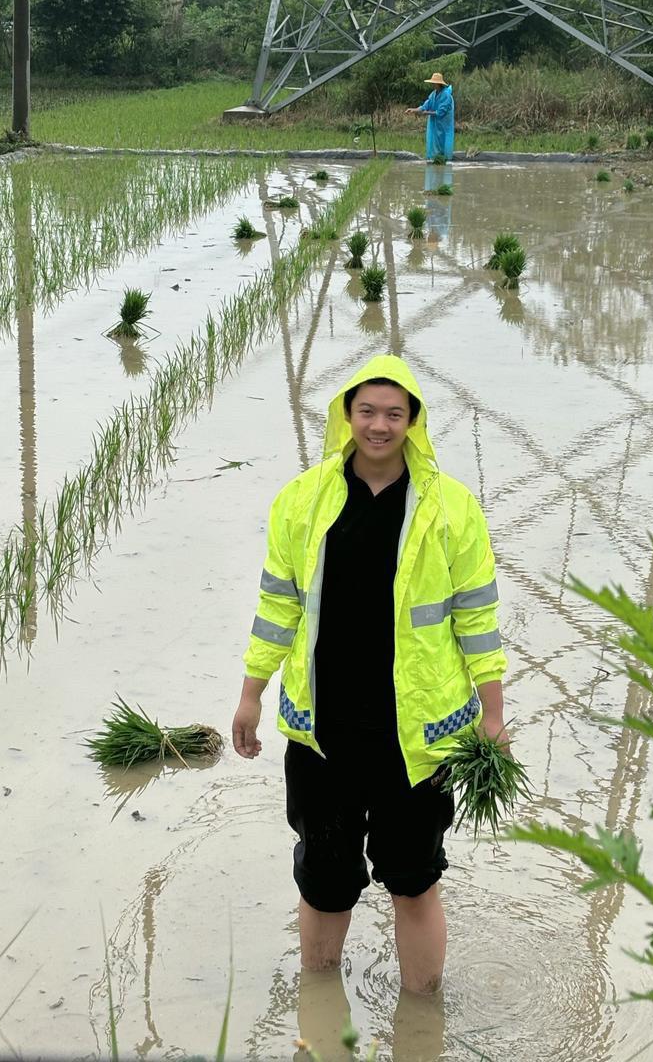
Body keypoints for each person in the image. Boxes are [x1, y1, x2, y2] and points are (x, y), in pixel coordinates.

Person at [232, 355, 507, 996]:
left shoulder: (451, 508)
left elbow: (477, 616)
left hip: (417, 739)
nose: (379, 426)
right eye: (367, 411)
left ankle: (422, 1017)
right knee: (324, 881)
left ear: (413, 421)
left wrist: (493, 714)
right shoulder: (303, 500)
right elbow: (278, 606)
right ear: (346, 415)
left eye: (393, 413)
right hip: (323, 731)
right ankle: (320, 1010)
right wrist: (251, 693)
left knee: (414, 882)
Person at [406, 73, 455, 162]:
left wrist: (426, 113)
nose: (432, 85)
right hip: (435, 124)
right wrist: (413, 110)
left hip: (444, 124)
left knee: (444, 141)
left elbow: (440, 112)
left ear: (439, 84)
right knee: (434, 141)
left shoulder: (446, 95)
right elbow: (425, 106)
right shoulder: (433, 94)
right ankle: (435, 159)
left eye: (434, 83)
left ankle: (446, 159)